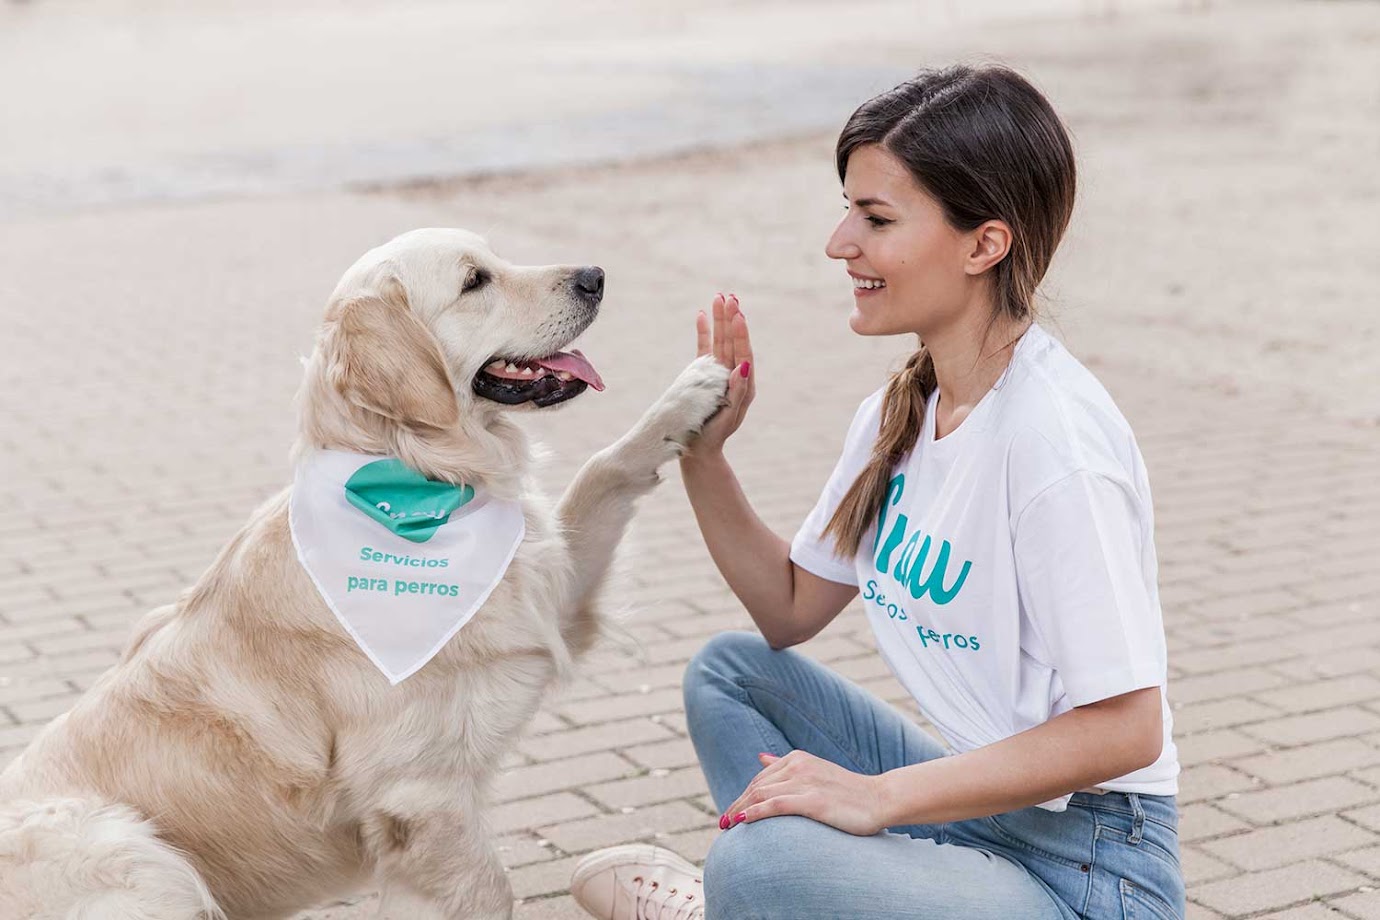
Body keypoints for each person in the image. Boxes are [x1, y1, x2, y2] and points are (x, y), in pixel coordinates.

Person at [569, 63, 1184, 920]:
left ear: (984, 244)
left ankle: (738, 902)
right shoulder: (901, 412)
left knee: (756, 867)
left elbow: (1127, 728)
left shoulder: (1055, 446)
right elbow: (788, 609)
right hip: (984, 819)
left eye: (877, 218)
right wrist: (705, 455)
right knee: (732, 676)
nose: (839, 243)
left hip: (1091, 874)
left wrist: (879, 797)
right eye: (848, 209)